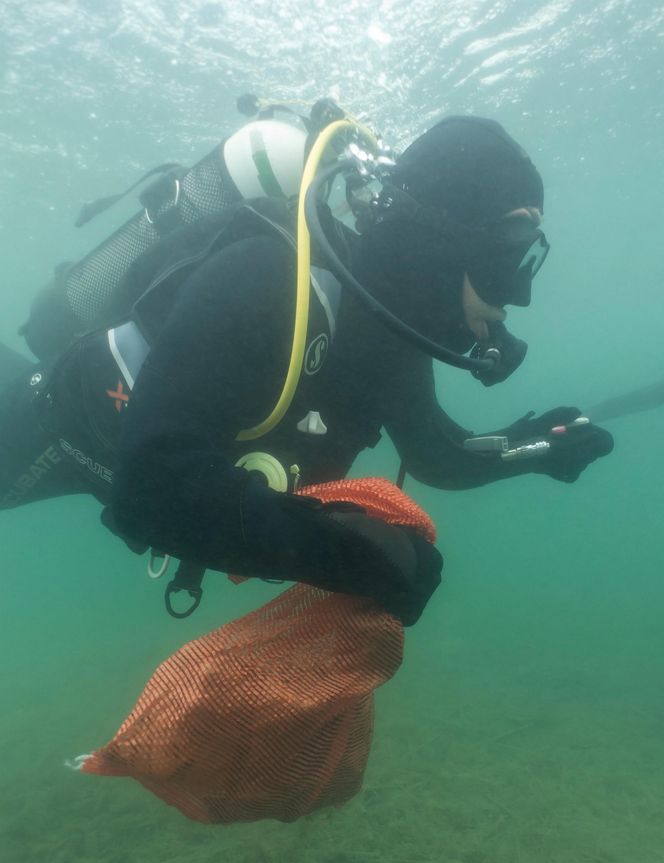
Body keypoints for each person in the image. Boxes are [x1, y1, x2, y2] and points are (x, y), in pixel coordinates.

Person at [0, 114, 613, 624]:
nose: (519, 296)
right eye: (507, 258)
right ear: (438, 245)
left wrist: (536, 448)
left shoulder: (387, 334)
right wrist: (347, 554)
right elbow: (151, 491)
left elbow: (436, 454)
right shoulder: (265, 280)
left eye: (527, 261)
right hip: (37, 431)